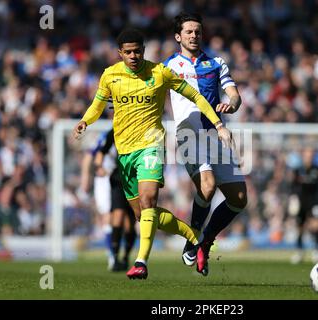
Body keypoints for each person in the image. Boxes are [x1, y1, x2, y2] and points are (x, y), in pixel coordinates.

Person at [73, 28, 233, 280]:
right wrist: (85, 121)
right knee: (143, 215)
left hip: (151, 146)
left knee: (149, 201)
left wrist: (220, 125)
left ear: (143, 50)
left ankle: (140, 262)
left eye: (137, 50)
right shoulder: (110, 75)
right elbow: (98, 104)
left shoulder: (159, 73)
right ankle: (197, 237)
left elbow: (197, 98)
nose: (133, 55)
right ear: (120, 53)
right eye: (128, 52)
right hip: (125, 153)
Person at [164, 12, 247, 276]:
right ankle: (192, 240)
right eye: (188, 32)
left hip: (215, 134)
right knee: (208, 185)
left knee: (239, 198)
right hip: (188, 134)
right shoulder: (167, 67)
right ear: (178, 36)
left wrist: (231, 105)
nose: (194, 35)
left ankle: (205, 241)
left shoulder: (216, 63)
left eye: (197, 31)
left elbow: (234, 95)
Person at [94, 128, 137, 272]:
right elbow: (101, 150)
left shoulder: (142, 128)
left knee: (130, 224)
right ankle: (115, 257)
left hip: (136, 179)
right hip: (118, 179)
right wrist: (99, 166)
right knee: (117, 217)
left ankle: (125, 257)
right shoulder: (116, 130)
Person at [77, 131, 118, 270]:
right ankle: (112, 255)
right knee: (108, 217)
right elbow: (89, 156)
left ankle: (115, 253)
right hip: (105, 180)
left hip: (120, 179)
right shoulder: (104, 136)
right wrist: (84, 178)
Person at [289, 147, 318, 264]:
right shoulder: (298, 170)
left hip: (315, 203)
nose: (309, 156)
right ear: (303, 155)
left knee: (316, 226)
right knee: (300, 228)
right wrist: (293, 198)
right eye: (307, 154)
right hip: (301, 202)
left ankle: (316, 252)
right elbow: (292, 186)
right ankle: (299, 252)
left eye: (311, 154)